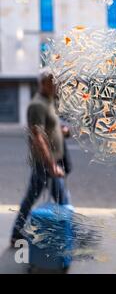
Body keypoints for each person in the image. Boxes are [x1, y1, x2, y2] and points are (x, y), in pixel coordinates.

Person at [10, 68, 71, 246]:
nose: (56, 85)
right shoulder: (37, 105)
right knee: (60, 199)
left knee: (45, 198)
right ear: (43, 83)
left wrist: (62, 131)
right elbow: (38, 137)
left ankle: (18, 234)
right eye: (53, 81)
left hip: (50, 162)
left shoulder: (48, 101)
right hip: (44, 164)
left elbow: (49, 128)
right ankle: (65, 237)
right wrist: (51, 165)